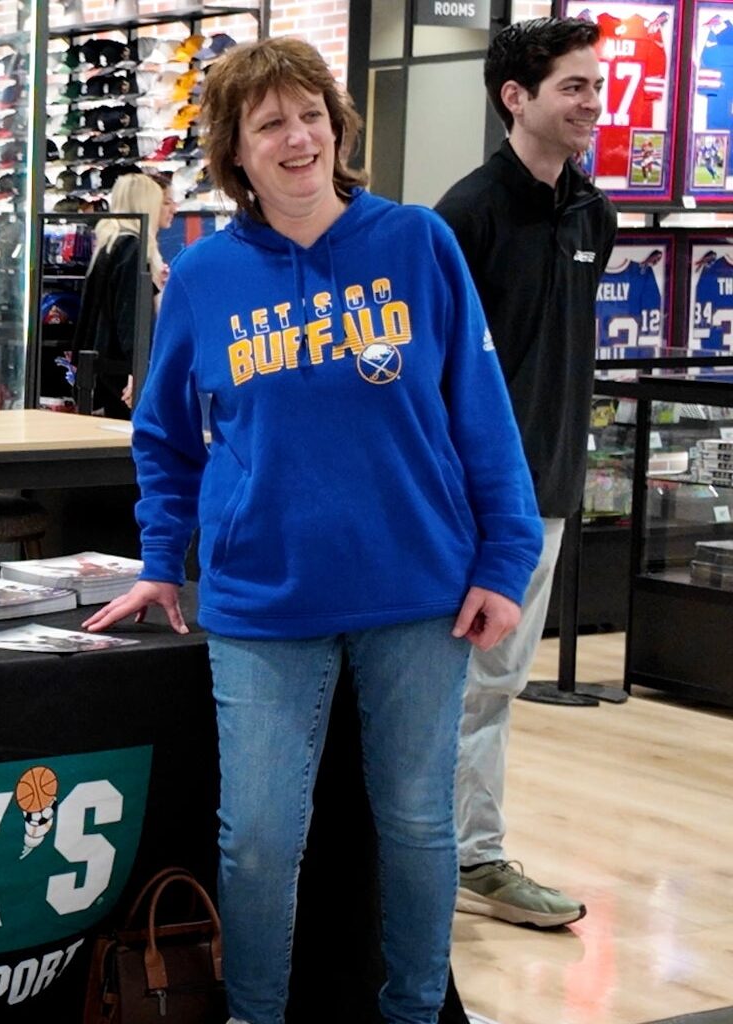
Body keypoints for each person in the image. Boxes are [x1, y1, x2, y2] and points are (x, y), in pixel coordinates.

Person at [84, 37, 540, 1024]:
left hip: (420, 591)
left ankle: (414, 1012)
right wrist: (165, 562)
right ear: (236, 155)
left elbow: (482, 415)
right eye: (269, 124)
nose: (298, 138)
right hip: (264, 600)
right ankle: (255, 1014)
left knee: (418, 826)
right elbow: (164, 438)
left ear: (338, 127)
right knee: (255, 837)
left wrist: (505, 561)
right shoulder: (204, 276)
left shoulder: (417, 243)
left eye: (312, 116)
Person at [433, 17, 614, 931]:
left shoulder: (593, 213)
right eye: (574, 86)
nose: (593, 101)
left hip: (549, 492)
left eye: (595, 83)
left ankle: (466, 854)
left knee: (493, 690)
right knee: (460, 687)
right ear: (517, 96)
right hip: (470, 504)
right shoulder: (462, 218)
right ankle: (459, 857)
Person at [72, 172, 174, 418]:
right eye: (163, 202)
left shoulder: (111, 244)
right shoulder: (132, 248)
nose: (171, 208)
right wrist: (136, 369)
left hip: (103, 369)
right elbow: (129, 317)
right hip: (120, 375)